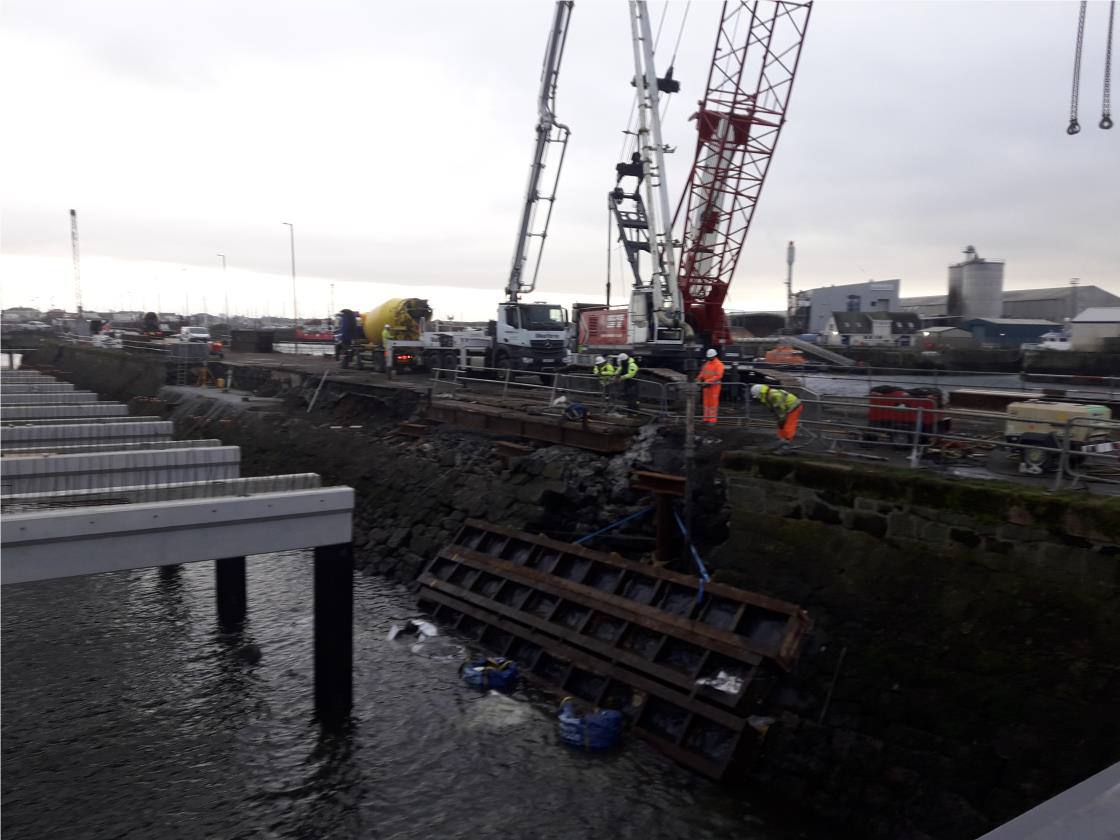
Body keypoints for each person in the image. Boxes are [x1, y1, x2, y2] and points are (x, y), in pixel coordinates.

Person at [750, 383, 802, 449]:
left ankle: (786, 445)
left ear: (759, 394)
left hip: (794, 406)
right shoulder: (767, 396)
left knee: (788, 425)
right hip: (786, 407)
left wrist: (781, 419)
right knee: (781, 425)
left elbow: (781, 410)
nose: (758, 399)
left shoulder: (774, 396)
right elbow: (775, 410)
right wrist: (779, 419)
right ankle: (782, 441)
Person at [696, 348, 725, 424]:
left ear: (714, 356)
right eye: (709, 357)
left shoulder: (719, 364)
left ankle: (712, 420)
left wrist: (707, 381)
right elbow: (702, 373)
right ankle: (706, 418)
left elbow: (719, 376)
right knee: (706, 403)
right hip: (706, 386)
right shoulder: (707, 364)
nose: (710, 358)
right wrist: (698, 379)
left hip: (714, 387)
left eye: (711, 357)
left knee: (713, 403)